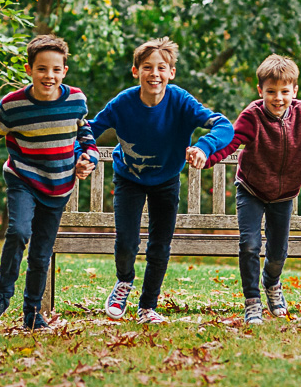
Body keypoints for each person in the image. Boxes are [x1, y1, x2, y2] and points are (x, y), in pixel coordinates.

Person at [0, 35, 97, 330]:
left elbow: (85, 132)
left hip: (59, 185)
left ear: (64, 71)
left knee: (41, 253)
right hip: (22, 177)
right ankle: (1, 295)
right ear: (30, 69)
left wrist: (87, 157)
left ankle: (32, 311)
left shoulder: (76, 99)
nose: (48, 76)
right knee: (18, 230)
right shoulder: (13, 105)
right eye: (41, 69)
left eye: (55, 69)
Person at [89, 37, 233, 324]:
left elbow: (223, 125)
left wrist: (204, 147)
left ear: (171, 72)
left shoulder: (180, 100)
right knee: (127, 242)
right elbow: (90, 130)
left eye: (161, 68)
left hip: (166, 180)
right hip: (128, 178)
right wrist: (86, 154)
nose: (154, 73)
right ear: (136, 71)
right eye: (147, 67)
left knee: (159, 245)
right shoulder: (123, 103)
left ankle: (147, 306)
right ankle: (124, 282)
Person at [205, 55, 301, 324]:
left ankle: (271, 283)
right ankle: (252, 301)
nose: (278, 97)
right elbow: (231, 142)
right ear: (260, 91)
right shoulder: (252, 116)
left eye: (285, 91)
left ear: (295, 91)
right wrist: (208, 157)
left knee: (278, 252)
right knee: (249, 245)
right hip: (251, 189)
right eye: (271, 91)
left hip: (284, 195)